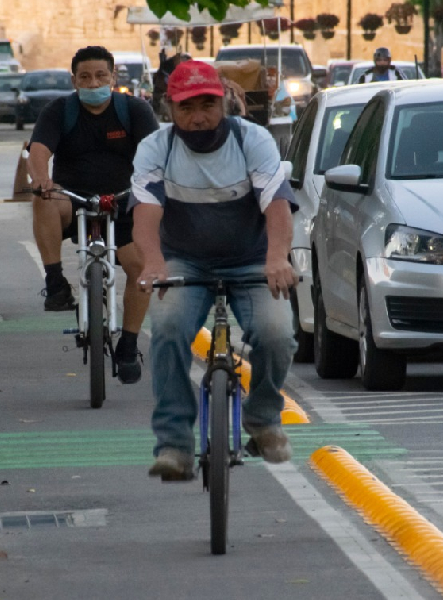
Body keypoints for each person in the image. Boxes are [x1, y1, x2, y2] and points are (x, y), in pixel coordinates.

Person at [130, 61, 299, 479]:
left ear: (224, 102)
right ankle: (174, 444)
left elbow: (277, 204)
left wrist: (277, 256)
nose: (198, 117)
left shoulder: (252, 139)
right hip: (184, 261)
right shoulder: (156, 148)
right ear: (169, 108)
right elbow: (146, 215)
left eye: (208, 105)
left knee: (277, 333)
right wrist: (153, 261)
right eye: (187, 108)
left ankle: (262, 417)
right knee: (167, 329)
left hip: (253, 260)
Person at [28, 45, 159, 384]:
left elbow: (158, 152)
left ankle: (128, 345)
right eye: (85, 76)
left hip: (124, 202)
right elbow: (39, 151)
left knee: (141, 270)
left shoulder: (134, 110)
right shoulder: (59, 111)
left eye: (101, 75)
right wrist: (41, 178)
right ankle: (55, 283)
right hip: (73, 201)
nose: (93, 82)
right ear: (74, 80)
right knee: (43, 199)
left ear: (113, 77)